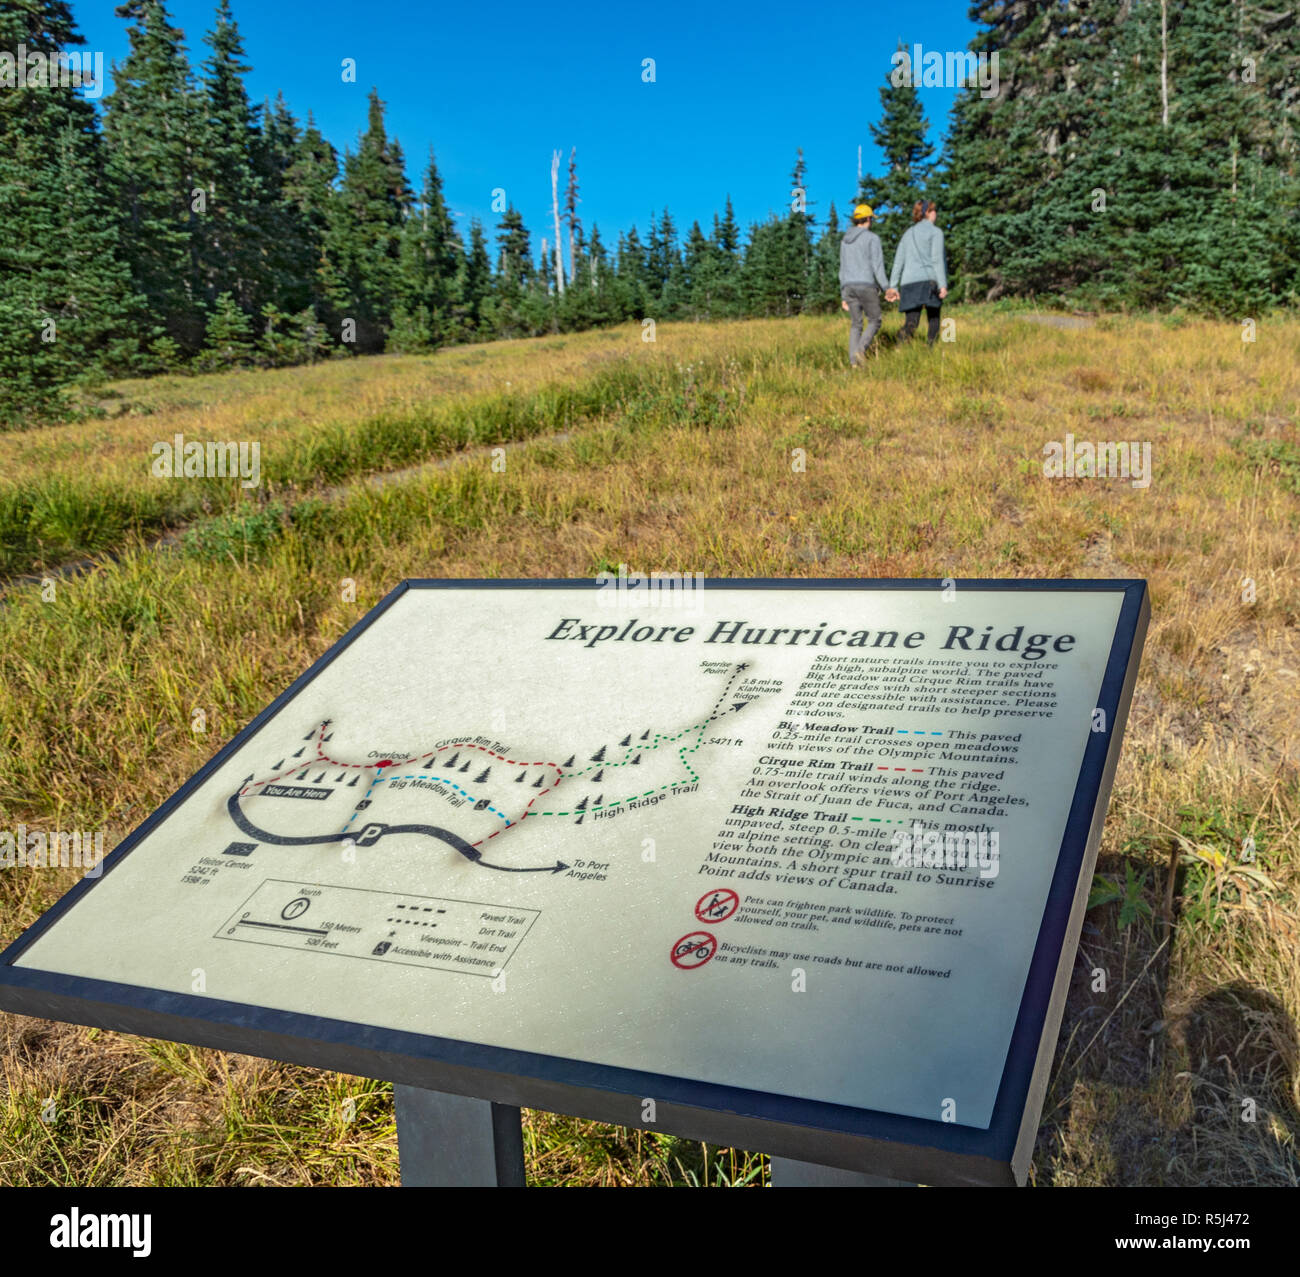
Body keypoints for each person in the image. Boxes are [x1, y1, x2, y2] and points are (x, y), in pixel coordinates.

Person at [887, 200, 947, 346]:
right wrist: (943, 284)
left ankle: (898, 346)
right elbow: (937, 260)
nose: (935, 213)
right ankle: (931, 351)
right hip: (929, 282)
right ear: (927, 212)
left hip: (908, 283)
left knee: (911, 322)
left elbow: (898, 261)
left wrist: (893, 286)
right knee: (934, 319)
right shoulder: (936, 232)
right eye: (933, 210)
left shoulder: (908, 233)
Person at [838, 203, 890, 366]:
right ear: (868, 218)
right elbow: (878, 265)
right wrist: (886, 287)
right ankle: (860, 351)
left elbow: (842, 267)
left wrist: (843, 294)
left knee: (856, 325)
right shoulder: (872, 238)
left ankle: (854, 364)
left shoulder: (844, 241)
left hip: (848, 287)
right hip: (866, 285)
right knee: (875, 320)